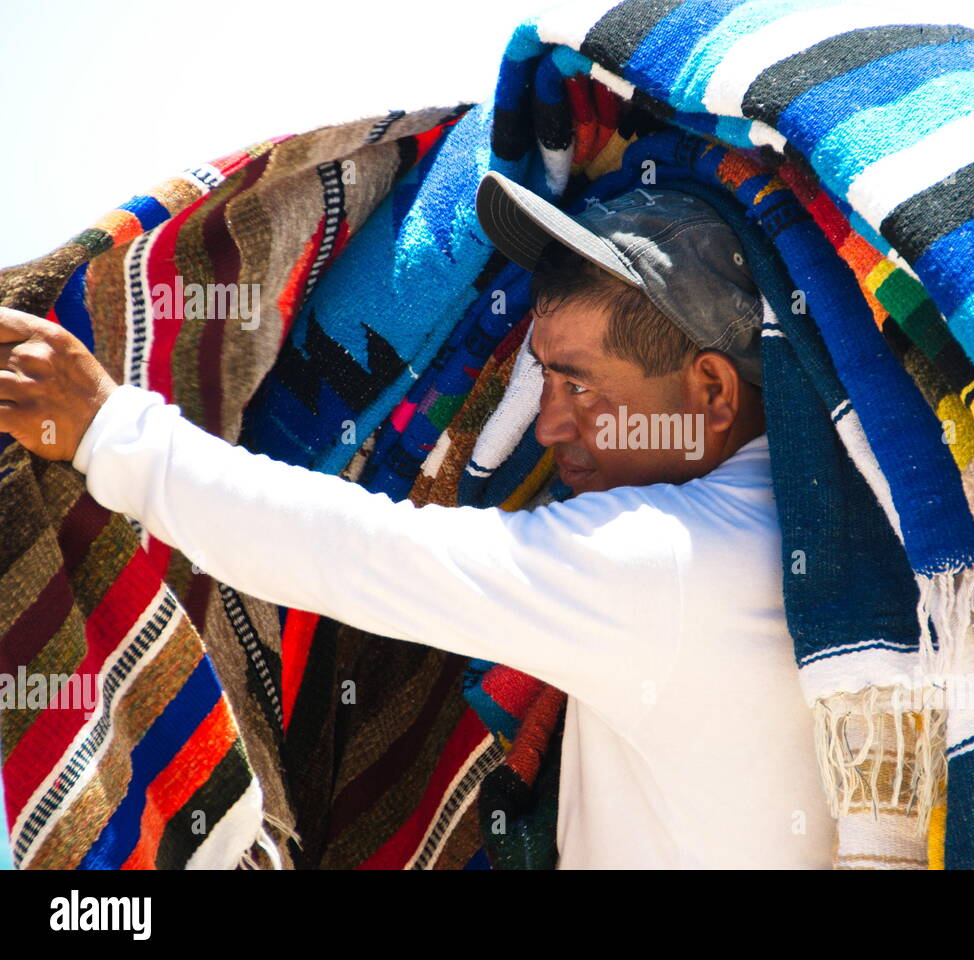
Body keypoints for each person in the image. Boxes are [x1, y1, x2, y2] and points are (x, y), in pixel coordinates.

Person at [0, 170, 837, 868]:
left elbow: (367, 555)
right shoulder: (815, 532)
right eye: (541, 380)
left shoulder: (674, 561)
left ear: (714, 393)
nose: (546, 428)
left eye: (579, 386)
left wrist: (111, 431)